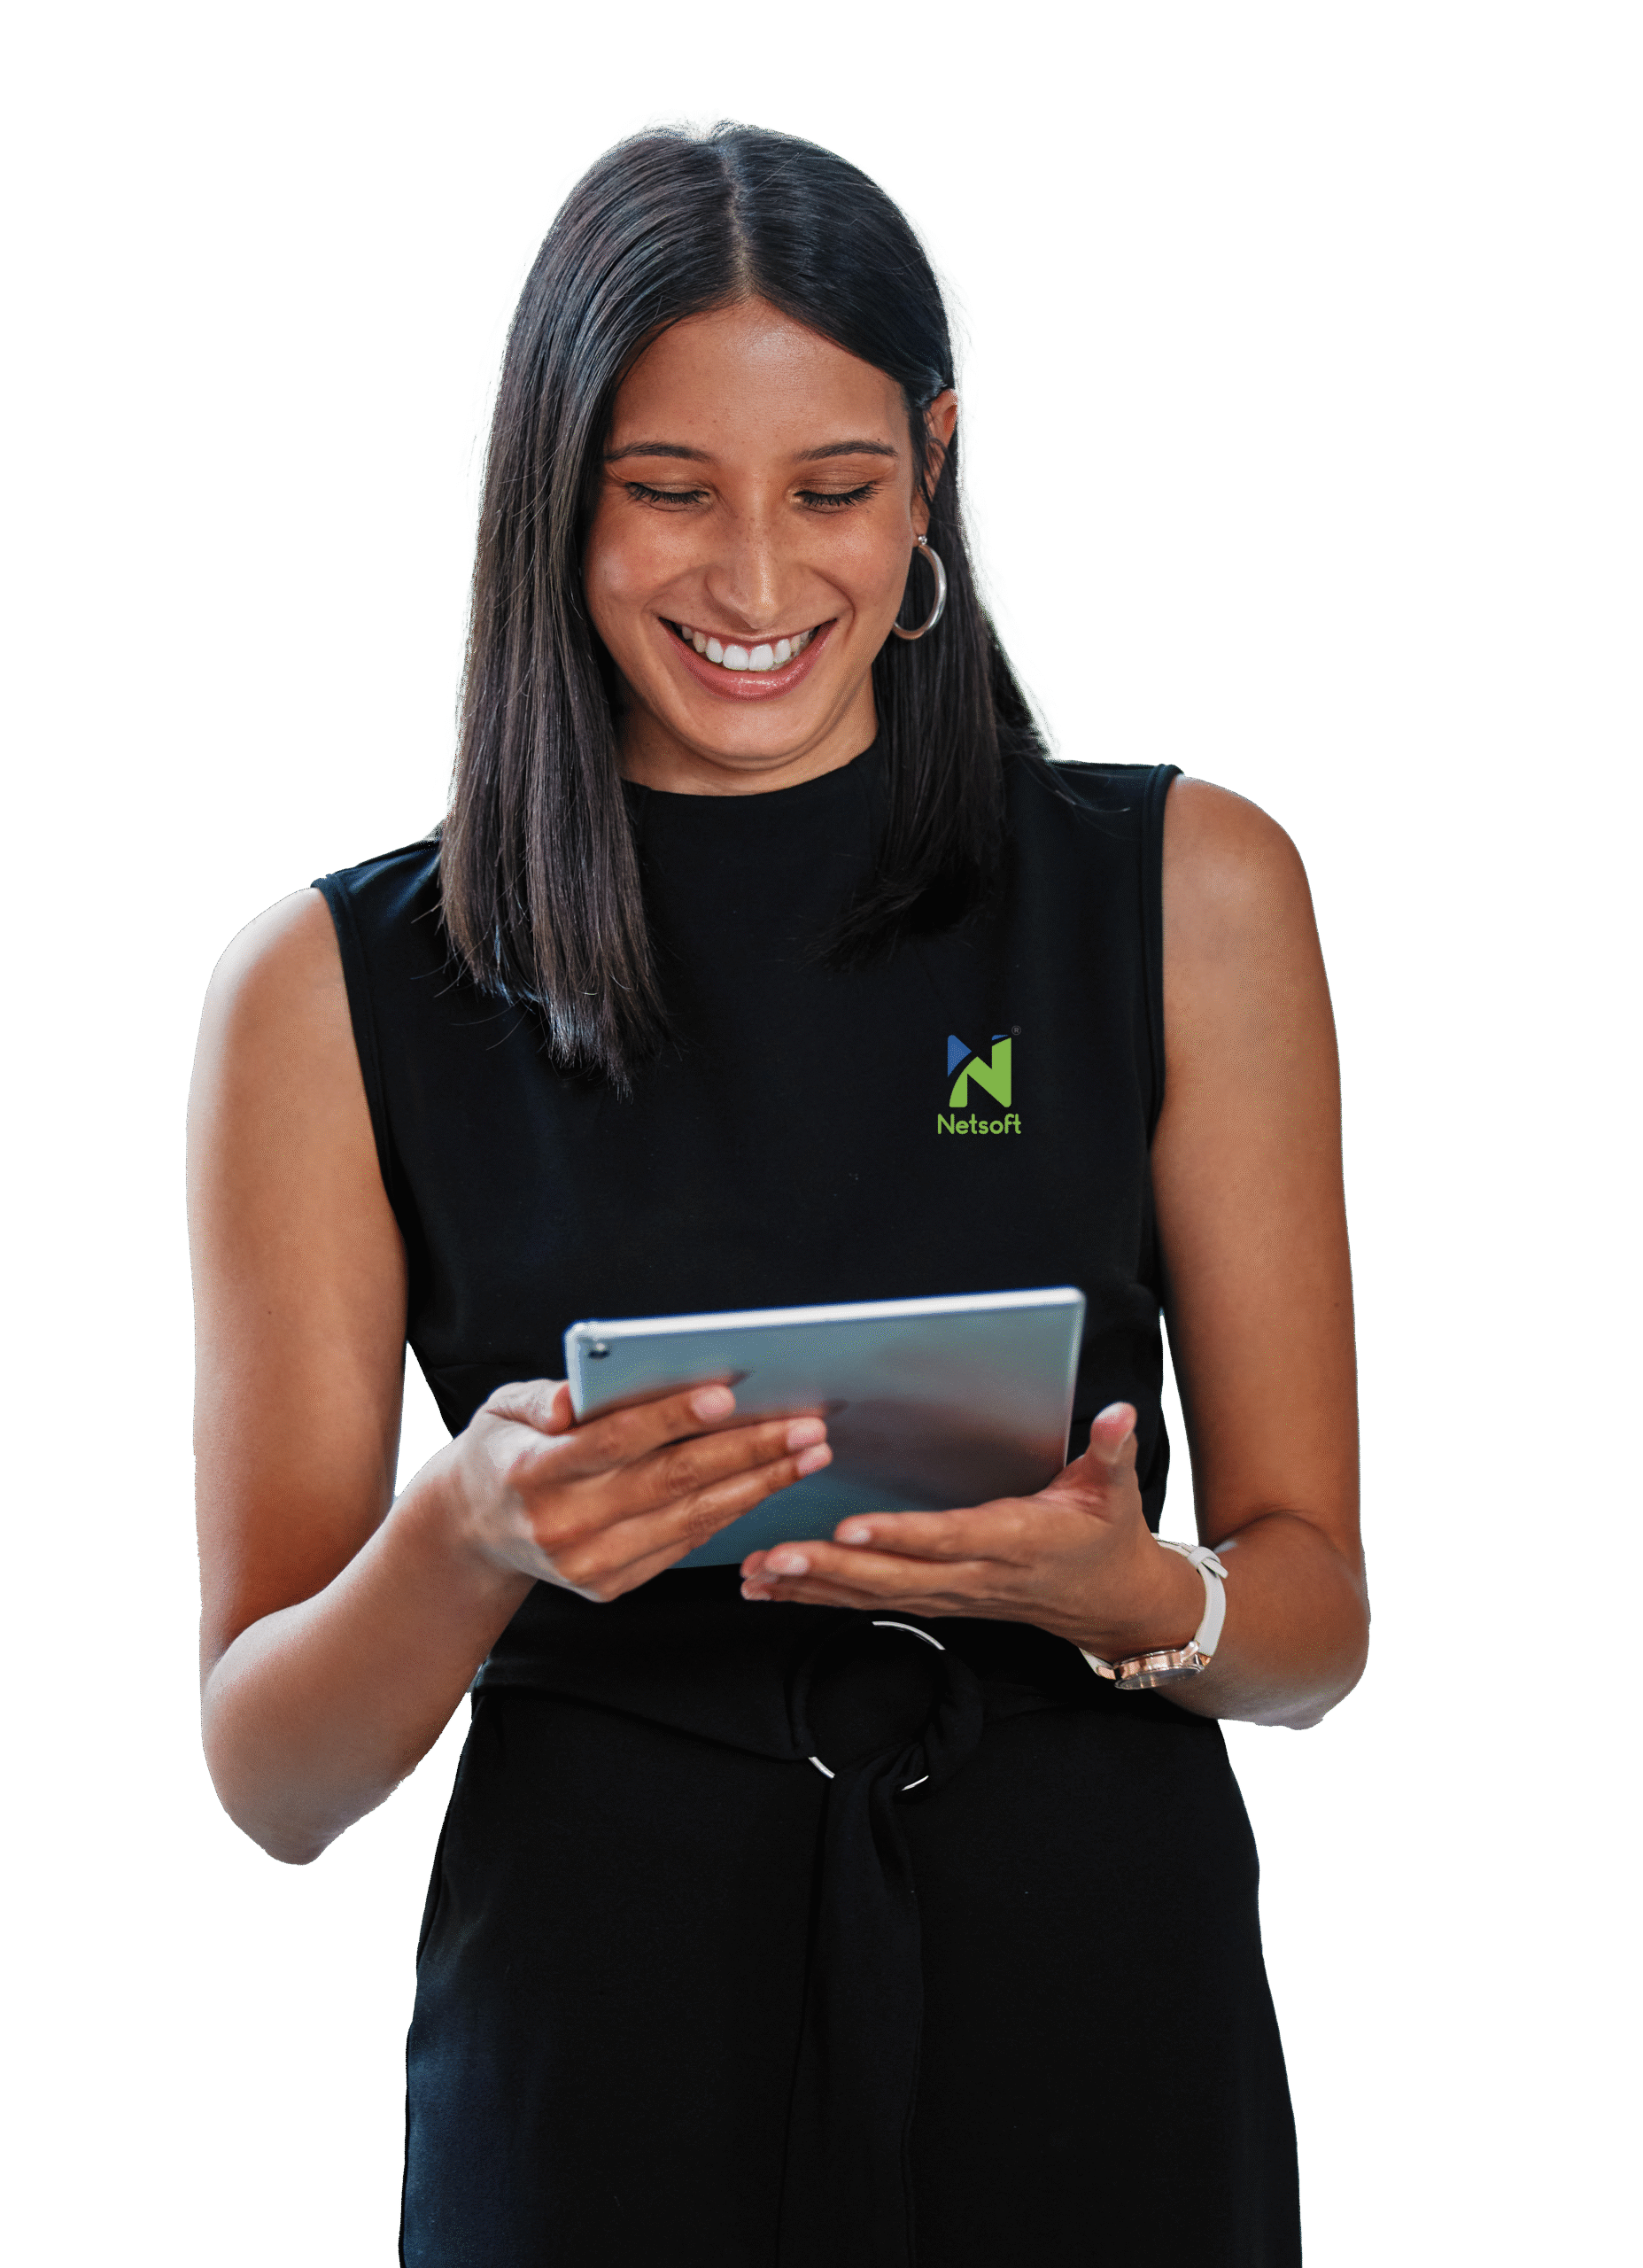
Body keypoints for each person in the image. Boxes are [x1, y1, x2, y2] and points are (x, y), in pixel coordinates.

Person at [189, 123, 1367, 2268]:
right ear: (555, 493)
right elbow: (273, 1778)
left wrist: (1125, 1593)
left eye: (832, 489)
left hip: (1093, 1990)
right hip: (598, 2027)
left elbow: (1313, 1622)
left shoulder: (1185, 889)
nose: (754, 583)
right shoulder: (330, 988)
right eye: (670, 490)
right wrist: (467, 1534)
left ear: (933, 473)